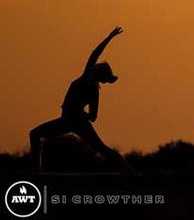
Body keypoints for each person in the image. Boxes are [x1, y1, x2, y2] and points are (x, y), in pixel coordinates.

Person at [30, 27, 133, 173]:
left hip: (76, 122)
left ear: (98, 73)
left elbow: (93, 117)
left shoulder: (93, 89)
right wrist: (109, 37)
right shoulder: (86, 76)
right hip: (66, 121)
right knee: (34, 134)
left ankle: (130, 172)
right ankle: (36, 171)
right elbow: (95, 53)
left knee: (102, 149)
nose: (94, 67)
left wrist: (80, 114)